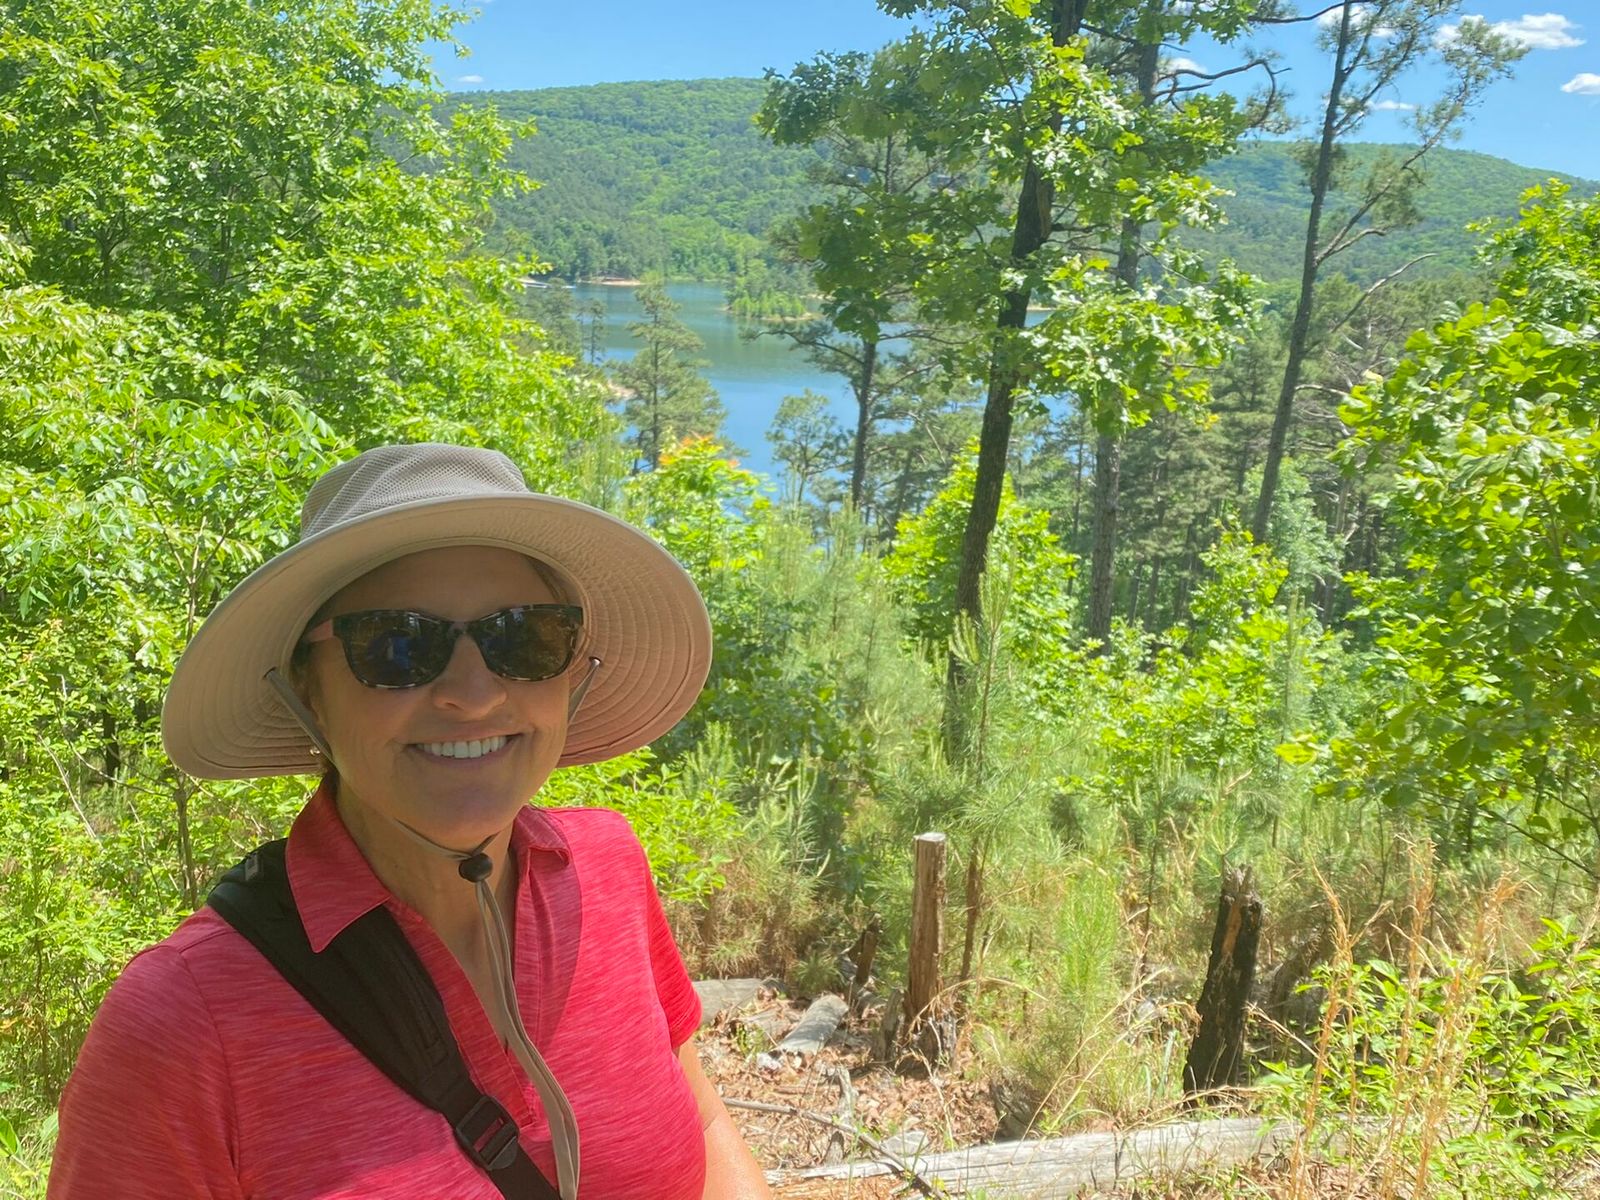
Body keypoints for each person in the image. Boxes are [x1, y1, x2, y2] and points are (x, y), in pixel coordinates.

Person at [48, 443, 772, 1199]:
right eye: (398, 645)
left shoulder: (606, 868)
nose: (473, 692)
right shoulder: (185, 1021)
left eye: (523, 637)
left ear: (571, 669)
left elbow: (704, 1124)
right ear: (308, 689)